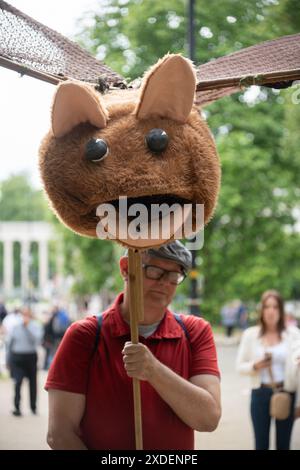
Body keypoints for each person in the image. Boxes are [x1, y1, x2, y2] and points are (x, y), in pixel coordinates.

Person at [45, 241, 221, 450]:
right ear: (126, 268)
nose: (165, 283)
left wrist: (153, 370)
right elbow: (60, 434)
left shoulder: (195, 331)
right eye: (155, 271)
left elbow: (209, 419)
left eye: (174, 276)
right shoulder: (85, 335)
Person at [236, 290, 300, 450]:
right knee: (261, 444)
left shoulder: (293, 334)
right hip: (260, 393)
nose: (271, 311)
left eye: (275, 307)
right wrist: (254, 366)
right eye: (267, 307)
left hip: (286, 392)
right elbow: (239, 366)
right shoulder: (250, 335)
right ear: (261, 310)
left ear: (281, 310)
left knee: (284, 445)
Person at [7, 307, 43, 416]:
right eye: (24, 314)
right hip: (17, 357)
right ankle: (17, 407)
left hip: (30, 357)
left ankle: (33, 407)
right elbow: (10, 344)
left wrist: (27, 328)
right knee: (17, 382)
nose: (25, 317)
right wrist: (8, 360)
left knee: (33, 383)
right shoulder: (15, 327)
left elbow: (37, 340)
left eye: (27, 314)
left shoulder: (36, 326)